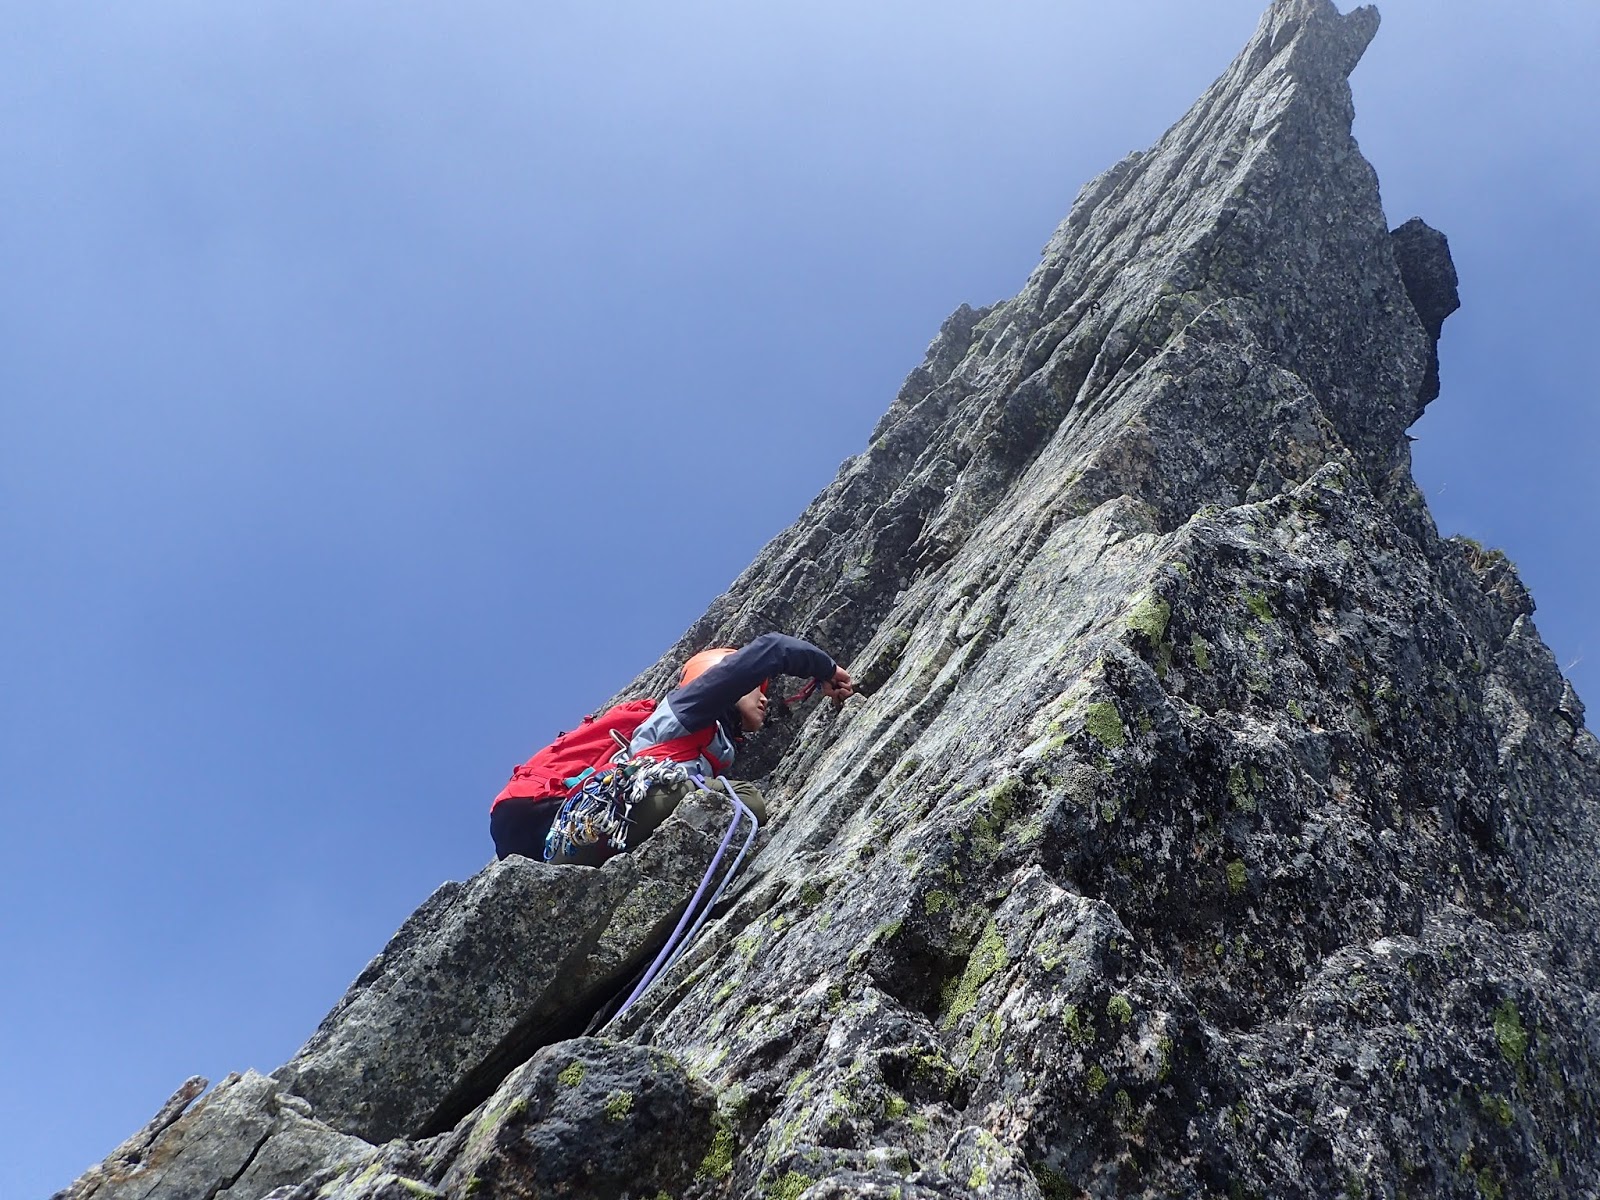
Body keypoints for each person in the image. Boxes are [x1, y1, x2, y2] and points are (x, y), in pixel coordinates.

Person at [490, 632, 853, 865]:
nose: (764, 697)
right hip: (618, 809)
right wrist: (825, 668)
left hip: (581, 831)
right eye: (757, 687)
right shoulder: (687, 710)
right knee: (746, 801)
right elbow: (773, 648)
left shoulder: (704, 738)